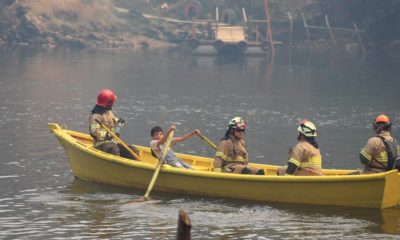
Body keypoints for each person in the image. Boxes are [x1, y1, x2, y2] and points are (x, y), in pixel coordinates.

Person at [89, 89, 138, 159]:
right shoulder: (95, 116)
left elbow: (115, 131)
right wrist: (109, 135)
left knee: (133, 150)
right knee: (114, 149)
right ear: (109, 102)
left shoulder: (109, 112)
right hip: (101, 144)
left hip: (113, 142)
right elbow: (94, 133)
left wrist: (119, 124)